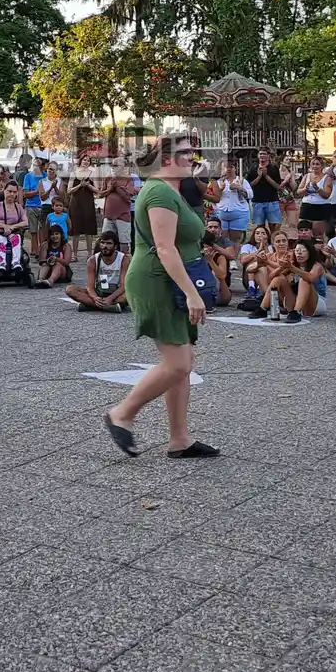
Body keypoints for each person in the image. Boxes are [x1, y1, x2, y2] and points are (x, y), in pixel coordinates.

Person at [103, 134, 219, 460]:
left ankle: (179, 440)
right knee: (178, 362)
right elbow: (165, 248)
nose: (192, 157)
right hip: (158, 280)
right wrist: (191, 293)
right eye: (185, 153)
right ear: (166, 159)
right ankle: (121, 414)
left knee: (183, 362)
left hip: (169, 278)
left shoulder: (171, 191)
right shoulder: (158, 192)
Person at [66, 230, 129, 312]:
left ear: (115, 246)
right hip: (99, 292)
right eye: (102, 243)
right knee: (69, 289)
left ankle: (91, 305)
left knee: (128, 295)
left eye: (109, 243)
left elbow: (123, 286)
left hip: (116, 293)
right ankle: (108, 307)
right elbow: (90, 287)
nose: (105, 246)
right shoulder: (92, 260)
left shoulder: (123, 259)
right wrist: (95, 298)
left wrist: (110, 298)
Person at [247, 231, 295, 319]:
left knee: (278, 278)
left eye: (284, 241)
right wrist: (258, 264)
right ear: (273, 244)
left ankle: (263, 308)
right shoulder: (270, 255)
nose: (281, 243)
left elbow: (283, 270)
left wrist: (268, 262)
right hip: (273, 293)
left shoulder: (291, 255)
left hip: (288, 296)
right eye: (278, 241)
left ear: (288, 242)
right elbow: (249, 269)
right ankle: (270, 303)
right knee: (259, 270)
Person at [208, 158, 253, 246]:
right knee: (223, 238)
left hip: (239, 213)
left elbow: (250, 195)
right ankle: (226, 257)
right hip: (222, 213)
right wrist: (220, 189)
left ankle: (234, 258)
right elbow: (213, 198)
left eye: (231, 167)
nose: (228, 169)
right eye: (225, 167)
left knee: (235, 239)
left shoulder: (241, 180)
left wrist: (239, 188)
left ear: (235, 168)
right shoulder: (217, 182)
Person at [0, 180, 28, 270]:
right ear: (4, 191)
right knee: (0, 239)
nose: (11, 194)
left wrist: (12, 227)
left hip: (13, 232)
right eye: (9, 191)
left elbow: (25, 222)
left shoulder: (18, 207)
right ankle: (2, 264)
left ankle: (16, 262)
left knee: (16, 238)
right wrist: (4, 226)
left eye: (14, 192)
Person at [68, 154, 100, 261]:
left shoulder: (92, 173)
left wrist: (88, 185)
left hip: (88, 202)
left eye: (88, 160)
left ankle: (89, 254)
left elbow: (97, 190)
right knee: (75, 229)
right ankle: (74, 255)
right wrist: (79, 185)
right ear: (80, 161)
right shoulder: (74, 173)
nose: (86, 162)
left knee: (88, 229)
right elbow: (69, 191)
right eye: (84, 160)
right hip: (76, 203)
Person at [100, 160, 134, 251]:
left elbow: (128, 197)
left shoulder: (129, 179)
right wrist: (110, 189)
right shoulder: (108, 178)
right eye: (112, 165)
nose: (113, 167)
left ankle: (123, 262)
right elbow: (100, 194)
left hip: (122, 216)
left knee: (123, 242)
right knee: (105, 240)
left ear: (124, 166)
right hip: (108, 216)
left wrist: (117, 187)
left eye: (116, 165)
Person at [298, 154, 332, 240]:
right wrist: (305, 189)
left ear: (322, 166)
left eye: (317, 164)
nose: (315, 166)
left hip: (320, 207)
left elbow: (326, 195)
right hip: (307, 206)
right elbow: (298, 192)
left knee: (318, 234)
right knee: (303, 231)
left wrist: (317, 188)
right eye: (313, 164)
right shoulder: (307, 176)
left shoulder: (327, 178)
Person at [248, 149, 283, 227]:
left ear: (268, 156)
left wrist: (266, 176)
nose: (262, 156)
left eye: (264, 154)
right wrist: (259, 176)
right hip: (257, 202)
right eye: (260, 154)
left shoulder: (274, 168)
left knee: (273, 226)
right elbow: (249, 185)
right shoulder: (253, 168)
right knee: (260, 227)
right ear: (258, 156)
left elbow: (279, 187)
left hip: (272, 202)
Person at [21, 157, 47, 259]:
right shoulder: (28, 176)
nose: (36, 167)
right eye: (34, 165)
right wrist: (37, 191)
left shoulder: (46, 176)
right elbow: (25, 194)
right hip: (31, 206)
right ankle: (36, 251)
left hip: (43, 206)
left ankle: (42, 250)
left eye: (38, 165)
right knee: (33, 231)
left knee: (42, 230)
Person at [36, 224, 73, 289]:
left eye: (57, 234)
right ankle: (40, 280)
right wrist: (49, 260)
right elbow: (41, 261)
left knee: (57, 264)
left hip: (61, 271)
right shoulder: (45, 245)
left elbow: (66, 262)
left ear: (61, 235)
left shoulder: (66, 246)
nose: (54, 236)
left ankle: (50, 281)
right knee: (45, 264)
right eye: (52, 234)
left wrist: (56, 259)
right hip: (48, 269)